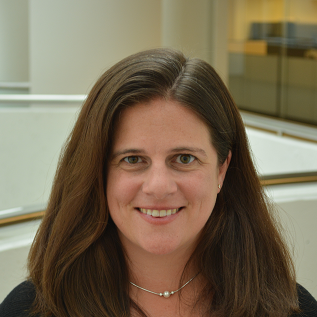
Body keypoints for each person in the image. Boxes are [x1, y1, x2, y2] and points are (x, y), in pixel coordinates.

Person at [1, 48, 317, 317]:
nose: (158, 187)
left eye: (183, 158)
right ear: (97, 173)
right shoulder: (28, 310)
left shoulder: (293, 309)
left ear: (222, 170)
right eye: (132, 159)